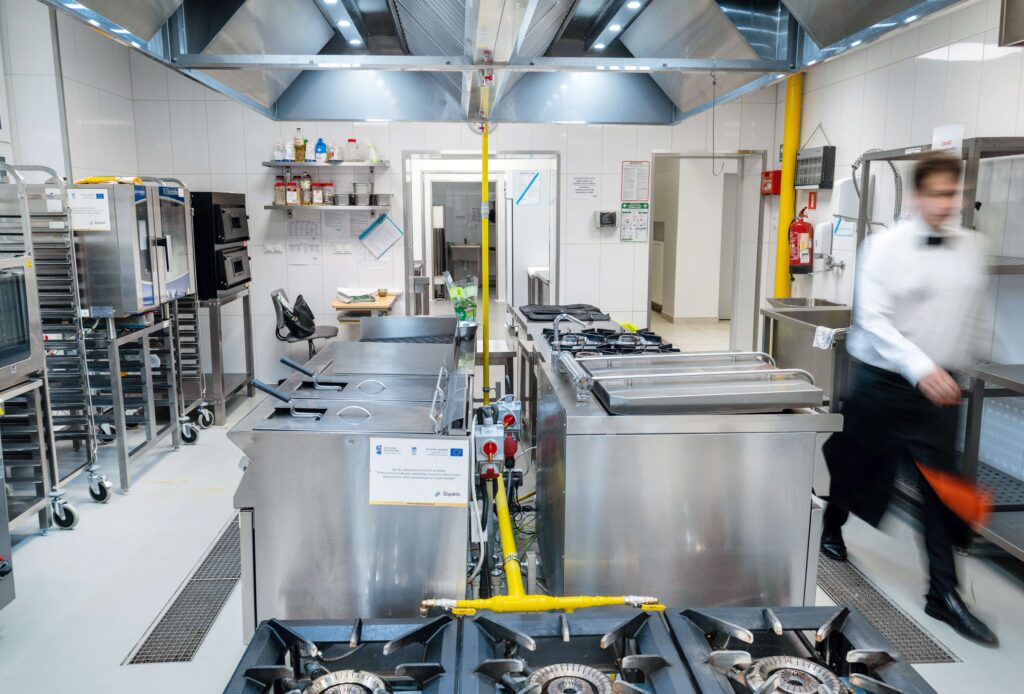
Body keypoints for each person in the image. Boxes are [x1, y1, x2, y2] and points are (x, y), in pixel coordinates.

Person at [820, 151, 996, 646]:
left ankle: (944, 593)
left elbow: (968, 313)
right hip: (883, 381)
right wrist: (920, 367)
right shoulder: (884, 247)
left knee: (942, 492)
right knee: (854, 464)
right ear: (918, 195)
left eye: (954, 194)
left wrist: (957, 365)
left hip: (938, 390)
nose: (947, 203)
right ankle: (831, 526)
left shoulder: (972, 248)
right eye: (938, 194)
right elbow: (873, 319)